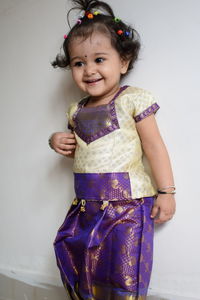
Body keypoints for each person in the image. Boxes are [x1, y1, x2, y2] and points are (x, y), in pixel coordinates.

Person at [49, 0, 176, 299]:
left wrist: (167, 191)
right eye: (79, 63)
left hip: (128, 206)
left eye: (99, 59)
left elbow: (154, 146)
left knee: (124, 271)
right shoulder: (75, 110)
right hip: (85, 206)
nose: (89, 70)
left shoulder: (132, 99)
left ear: (123, 61)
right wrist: (56, 141)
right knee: (81, 264)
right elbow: (77, 148)